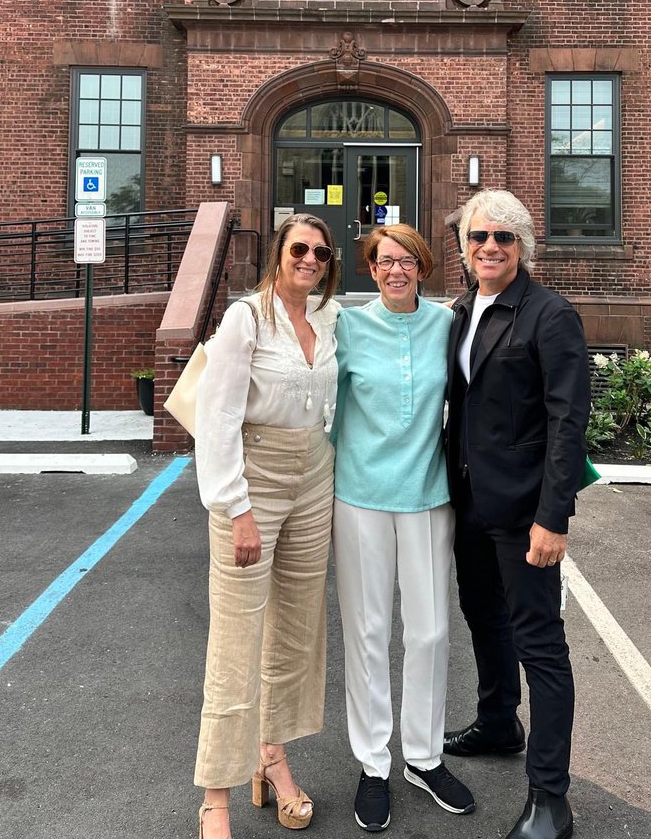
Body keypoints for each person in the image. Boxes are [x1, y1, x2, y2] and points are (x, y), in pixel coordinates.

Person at [442, 190, 590, 839]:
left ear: (522, 246)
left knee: (541, 645)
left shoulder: (549, 316)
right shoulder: (461, 310)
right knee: (483, 617)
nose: (489, 248)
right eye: (478, 238)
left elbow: (568, 422)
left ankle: (550, 800)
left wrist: (553, 518)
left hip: (525, 510)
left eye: (503, 238)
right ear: (465, 248)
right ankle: (500, 720)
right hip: (468, 501)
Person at [192, 214, 341, 839]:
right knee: (235, 639)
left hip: (316, 479)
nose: (309, 259)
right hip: (254, 481)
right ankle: (215, 799)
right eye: (298, 249)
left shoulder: (331, 320)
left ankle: (272, 759)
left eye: (321, 252)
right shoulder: (245, 319)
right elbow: (217, 415)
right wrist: (237, 507)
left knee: (296, 633)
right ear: (277, 255)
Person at [332, 224, 475, 833]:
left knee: (432, 631)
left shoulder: (446, 325)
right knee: (367, 631)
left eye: (407, 260)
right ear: (371, 269)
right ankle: (373, 763)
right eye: (385, 261)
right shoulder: (347, 327)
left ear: (423, 266)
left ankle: (422, 755)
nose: (396, 270)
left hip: (428, 496)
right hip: (360, 496)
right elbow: (322, 406)